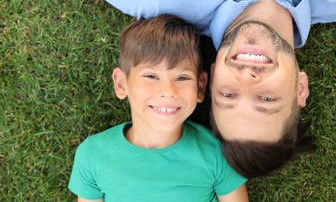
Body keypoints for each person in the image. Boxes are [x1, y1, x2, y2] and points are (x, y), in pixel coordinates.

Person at [22, 0, 336, 178]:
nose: (247, 78)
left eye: (227, 96)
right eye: (266, 99)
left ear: (208, 80)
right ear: (300, 88)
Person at [67, 14, 248, 201]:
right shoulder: (93, 154)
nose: (168, 91)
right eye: (151, 76)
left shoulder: (217, 152)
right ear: (121, 84)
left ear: (200, 87)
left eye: (182, 78)